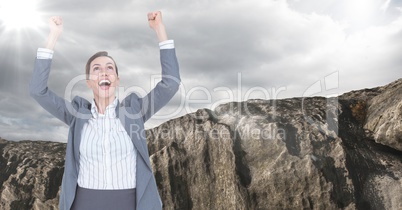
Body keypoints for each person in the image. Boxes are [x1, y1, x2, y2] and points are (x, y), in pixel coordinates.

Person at [29, 11, 180, 210]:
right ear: (89, 82)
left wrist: (160, 30)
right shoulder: (76, 115)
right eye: (96, 69)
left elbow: (170, 84)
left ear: (117, 79)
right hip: (84, 203)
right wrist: (53, 37)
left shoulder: (134, 111)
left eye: (110, 68)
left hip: (130, 203)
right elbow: (38, 91)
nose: (104, 72)